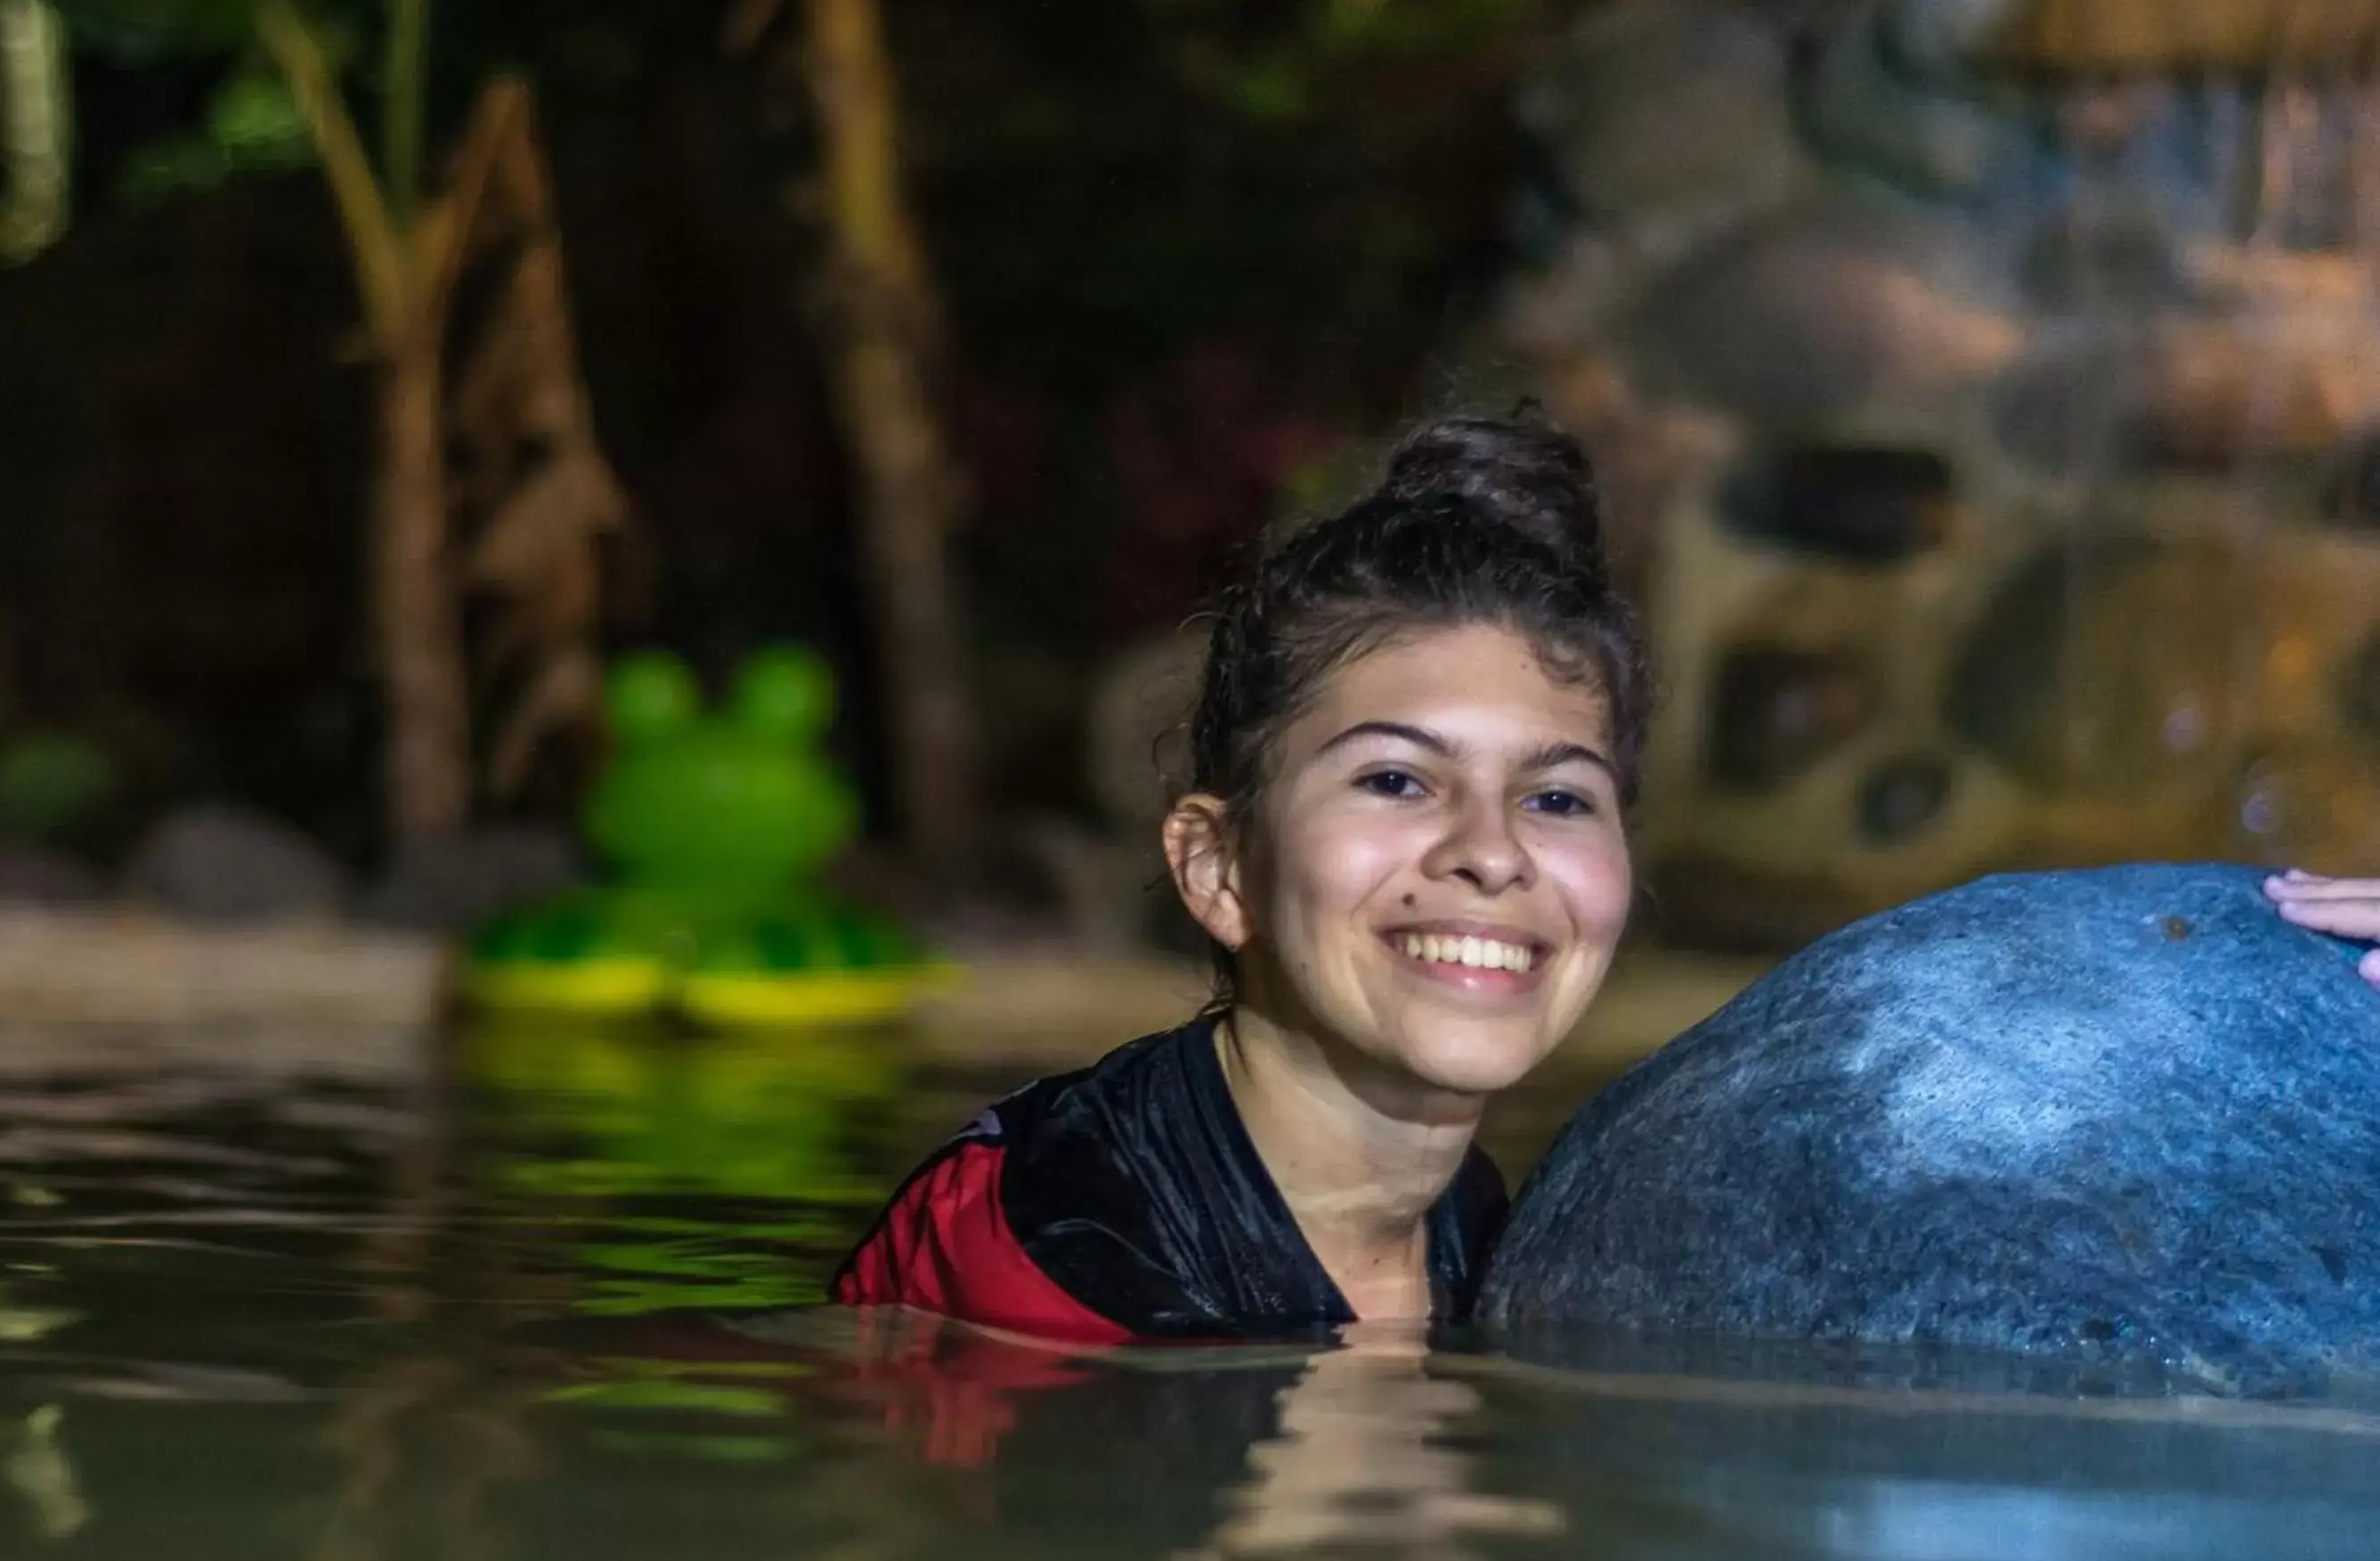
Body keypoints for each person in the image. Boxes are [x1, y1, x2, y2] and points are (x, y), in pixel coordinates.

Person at [832, 411, 2380, 1341]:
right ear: (1218, 865)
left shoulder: (1491, 1228)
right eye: (1393, 778)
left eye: (1558, 795)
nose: (1491, 853)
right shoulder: (1056, 1246)